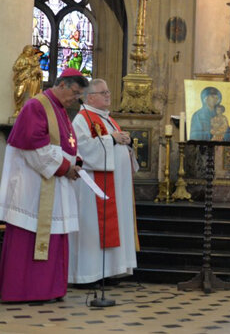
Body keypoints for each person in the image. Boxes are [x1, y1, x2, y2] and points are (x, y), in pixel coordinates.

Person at [0, 68, 88, 302]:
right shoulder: (37, 106)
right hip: (34, 187)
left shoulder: (60, 109)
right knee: (30, 235)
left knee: (54, 235)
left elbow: (69, 144)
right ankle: (25, 290)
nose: (76, 99)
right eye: (75, 93)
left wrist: (76, 161)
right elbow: (34, 149)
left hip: (53, 185)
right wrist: (65, 168)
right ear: (62, 85)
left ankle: (50, 289)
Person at [68, 79, 138, 286]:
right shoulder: (82, 119)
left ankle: (109, 271)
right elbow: (82, 149)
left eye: (108, 91)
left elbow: (114, 145)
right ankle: (88, 275)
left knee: (111, 228)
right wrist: (113, 140)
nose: (108, 95)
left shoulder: (108, 119)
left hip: (115, 187)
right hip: (94, 190)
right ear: (90, 97)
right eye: (103, 92)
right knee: (92, 229)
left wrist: (127, 143)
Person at [12, 45, 44, 117]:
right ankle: (18, 109)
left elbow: (39, 70)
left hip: (32, 79)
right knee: (18, 94)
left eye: (30, 51)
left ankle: (30, 111)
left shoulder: (34, 60)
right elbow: (15, 68)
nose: (29, 53)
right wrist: (25, 66)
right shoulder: (21, 59)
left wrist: (37, 72)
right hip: (22, 78)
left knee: (32, 96)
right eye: (27, 51)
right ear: (24, 51)